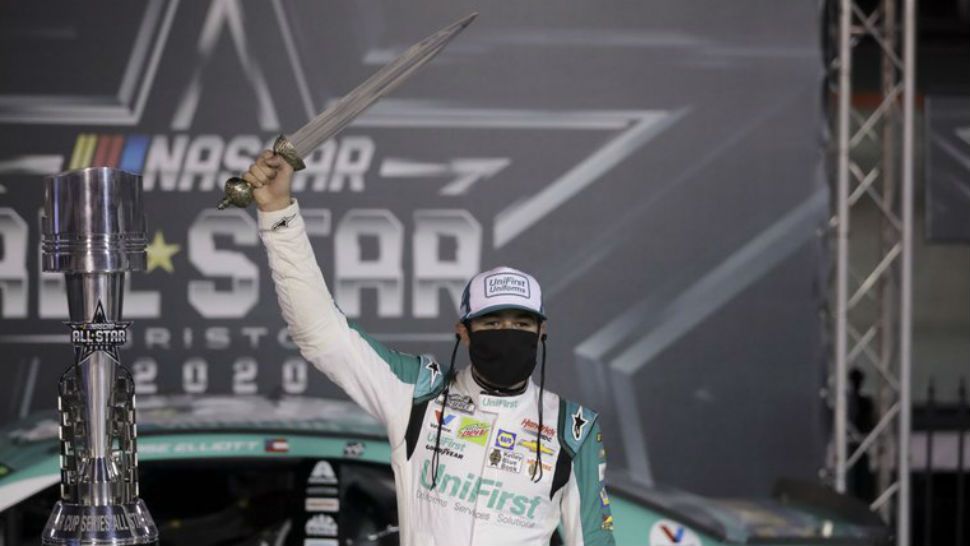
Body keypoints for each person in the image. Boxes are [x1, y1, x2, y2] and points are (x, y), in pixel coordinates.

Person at [244, 150, 615, 545]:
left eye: (521, 324)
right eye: (492, 323)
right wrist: (279, 216)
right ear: (464, 332)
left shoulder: (572, 428)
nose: (507, 333)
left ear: (541, 333)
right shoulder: (419, 393)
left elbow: (594, 540)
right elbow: (321, 333)